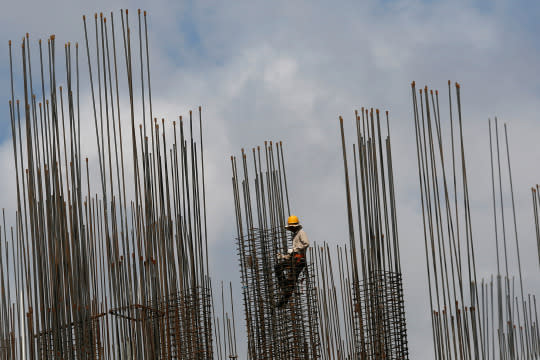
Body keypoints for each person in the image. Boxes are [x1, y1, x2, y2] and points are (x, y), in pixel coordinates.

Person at [274, 215, 309, 308]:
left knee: (291, 282)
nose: (291, 229)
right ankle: (284, 287)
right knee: (278, 267)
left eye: (292, 227)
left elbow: (306, 243)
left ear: (296, 226)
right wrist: (283, 256)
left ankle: (283, 300)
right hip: (293, 259)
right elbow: (291, 254)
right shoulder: (295, 235)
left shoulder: (301, 233)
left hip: (299, 260)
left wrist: (295, 249)